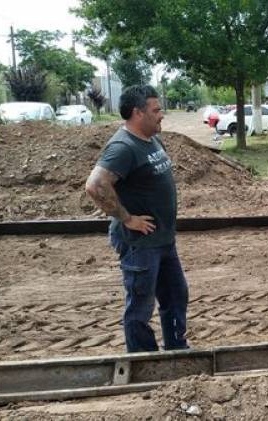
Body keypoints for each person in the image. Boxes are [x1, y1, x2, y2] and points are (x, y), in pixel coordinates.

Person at [85, 85, 189, 352]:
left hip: (163, 240)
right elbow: (96, 185)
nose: (161, 115)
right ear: (137, 113)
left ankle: (176, 349)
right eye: (156, 110)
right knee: (140, 308)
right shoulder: (123, 147)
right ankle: (143, 362)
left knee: (176, 297)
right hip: (140, 244)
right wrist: (127, 218)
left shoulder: (152, 139)